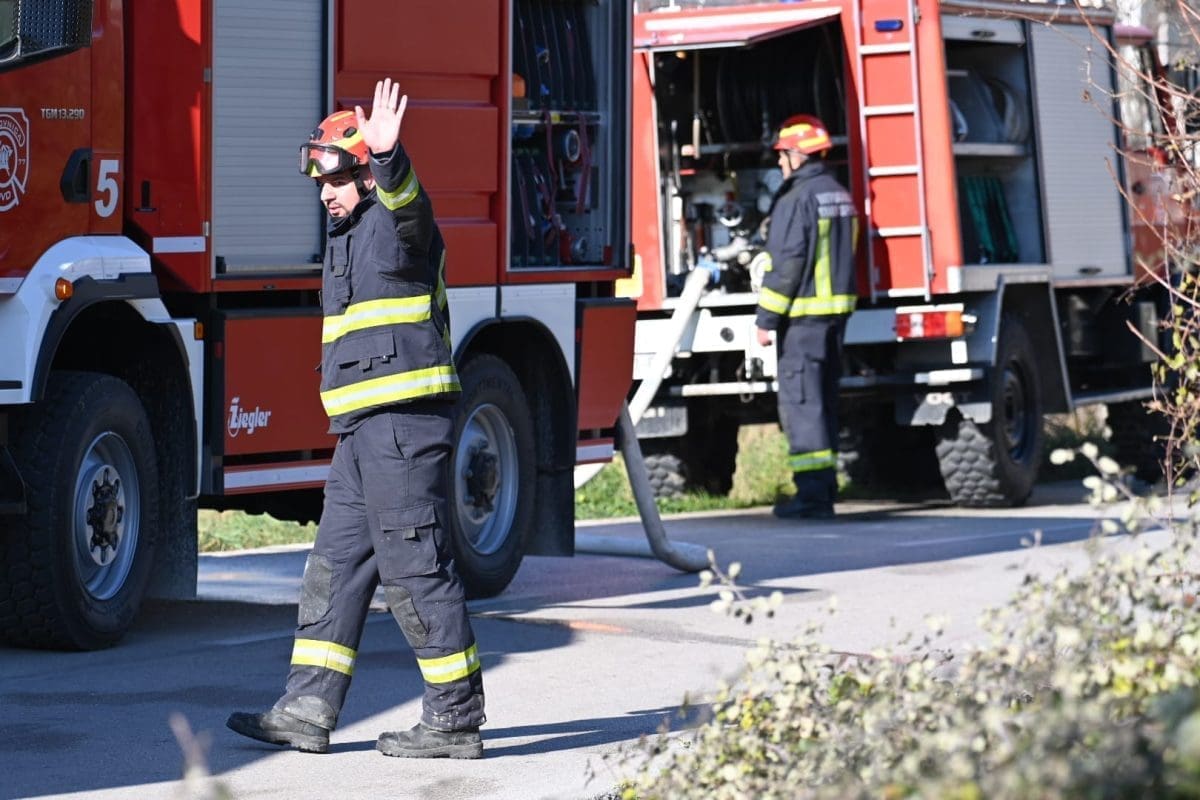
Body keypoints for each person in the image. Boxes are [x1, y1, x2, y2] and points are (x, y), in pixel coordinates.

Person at [226, 78, 485, 759]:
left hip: (403, 427)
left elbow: (410, 207)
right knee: (334, 568)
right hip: (362, 433)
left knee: (415, 570)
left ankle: (453, 720)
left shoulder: (397, 225)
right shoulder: (346, 237)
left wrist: (391, 158)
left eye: (337, 179)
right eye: (320, 182)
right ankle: (306, 708)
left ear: (368, 177)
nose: (325, 194)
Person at [754, 114, 859, 519]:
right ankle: (825, 488)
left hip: (801, 322)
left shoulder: (795, 200)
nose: (780, 163)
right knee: (824, 403)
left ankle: (813, 497)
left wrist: (766, 319)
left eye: (783, 156)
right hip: (834, 321)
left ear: (798, 156)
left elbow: (788, 264)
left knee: (802, 405)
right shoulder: (838, 193)